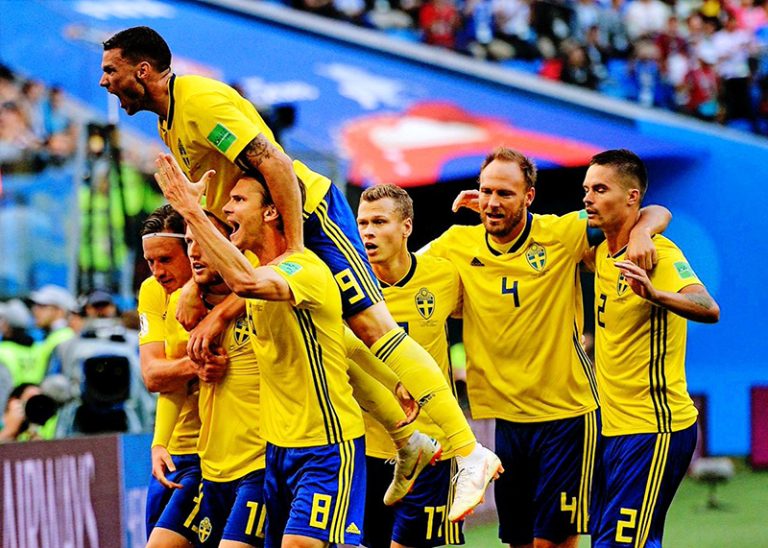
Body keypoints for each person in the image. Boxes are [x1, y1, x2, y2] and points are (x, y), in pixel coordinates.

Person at [100, 26, 499, 518]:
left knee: (374, 328)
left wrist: (293, 249)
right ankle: (409, 439)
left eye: (110, 70)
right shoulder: (170, 123)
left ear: (142, 70)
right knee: (334, 339)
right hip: (268, 235)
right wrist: (202, 278)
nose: (103, 81)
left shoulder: (199, 102)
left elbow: (275, 164)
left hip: (309, 215)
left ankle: (468, 451)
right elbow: (220, 203)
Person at [425, 146, 671, 541]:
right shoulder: (456, 243)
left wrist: (642, 232)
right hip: (506, 421)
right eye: (486, 192)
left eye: (505, 193)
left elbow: (652, 210)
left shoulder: (561, 233)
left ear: (529, 196)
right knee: (520, 541)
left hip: (567, 416)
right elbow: (404, 270)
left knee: (552, 541)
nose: (492, 202)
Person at [155, 162, 367, 548]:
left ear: (271, 211)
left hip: (326, 445)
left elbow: (247, 281)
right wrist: (192, 287)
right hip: (277, 453)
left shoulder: (303, 270)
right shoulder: (254, 280)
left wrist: (190, 209)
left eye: (238, 200)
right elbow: (239, 279)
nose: (228, 209)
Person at [582, 149, 719, 547]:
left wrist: (656, 294)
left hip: (655, 428)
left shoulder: (659, 254)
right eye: (586, 189)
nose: (588, 197)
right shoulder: (601, 254)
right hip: (613, 430)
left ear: (631, 197)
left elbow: (708, 307)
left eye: (600, 189)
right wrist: (643, 227)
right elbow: (658, 211)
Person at [357, 184, 465, 547]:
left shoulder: (443, 276)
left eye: (379, 222)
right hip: (368, 450)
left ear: (406, 227)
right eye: (362, 223)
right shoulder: (346, 286)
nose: (368, 232)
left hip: (434, 448)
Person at [153, 215, 267, 548]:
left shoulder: (265, 294)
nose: (194, 252)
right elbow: (170, 382)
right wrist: (159, 442)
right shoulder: (181, 306)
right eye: (190, 241)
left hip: (261, 461)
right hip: (210, 465)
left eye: (203, 241)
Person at [137, 205, 202, 548]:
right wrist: (196, 365)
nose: (157, 271)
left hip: (218, 456)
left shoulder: (228, 292)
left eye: (165, 259)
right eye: (150, 261)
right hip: (174, 453)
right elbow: (154, 376)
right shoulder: (152, 291)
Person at [29, 284, 77, 382]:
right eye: (36, 306)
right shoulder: (51, 336)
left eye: (43, 306)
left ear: (59, 311)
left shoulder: (64, 338)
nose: (35, 310)